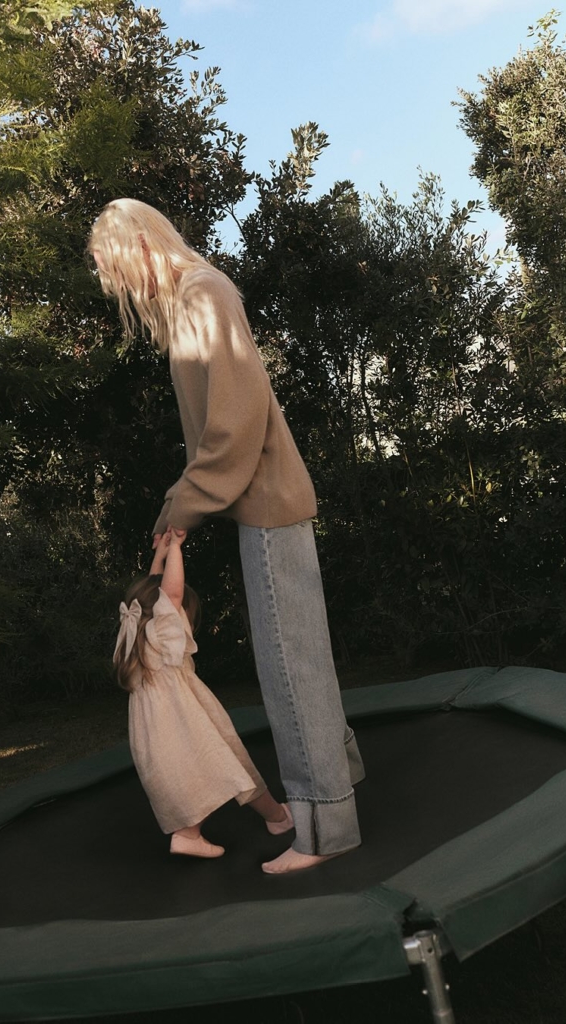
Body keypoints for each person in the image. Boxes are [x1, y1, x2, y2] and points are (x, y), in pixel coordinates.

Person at [89, 197, 365, 874]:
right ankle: (338, 786)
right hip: (260, 504)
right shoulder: (195, 297)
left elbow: (234, 424)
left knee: (290, 671)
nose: (121, 285)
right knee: (302, 661)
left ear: (141, 246)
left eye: (117, 268)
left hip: (266, 505)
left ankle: (324, 832)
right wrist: (181, 504)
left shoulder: (204, 293)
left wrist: (183, 507)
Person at [114, 526, 294, 858]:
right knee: (227, 766)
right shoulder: (163, 630)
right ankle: (260, 821)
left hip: (158, 732)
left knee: (209, 773)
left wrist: (159, 555)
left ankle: (270, 818)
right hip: (186, 720)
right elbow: (171, 594)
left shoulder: (136, 634)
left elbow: (152, 596)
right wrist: (177, 548)